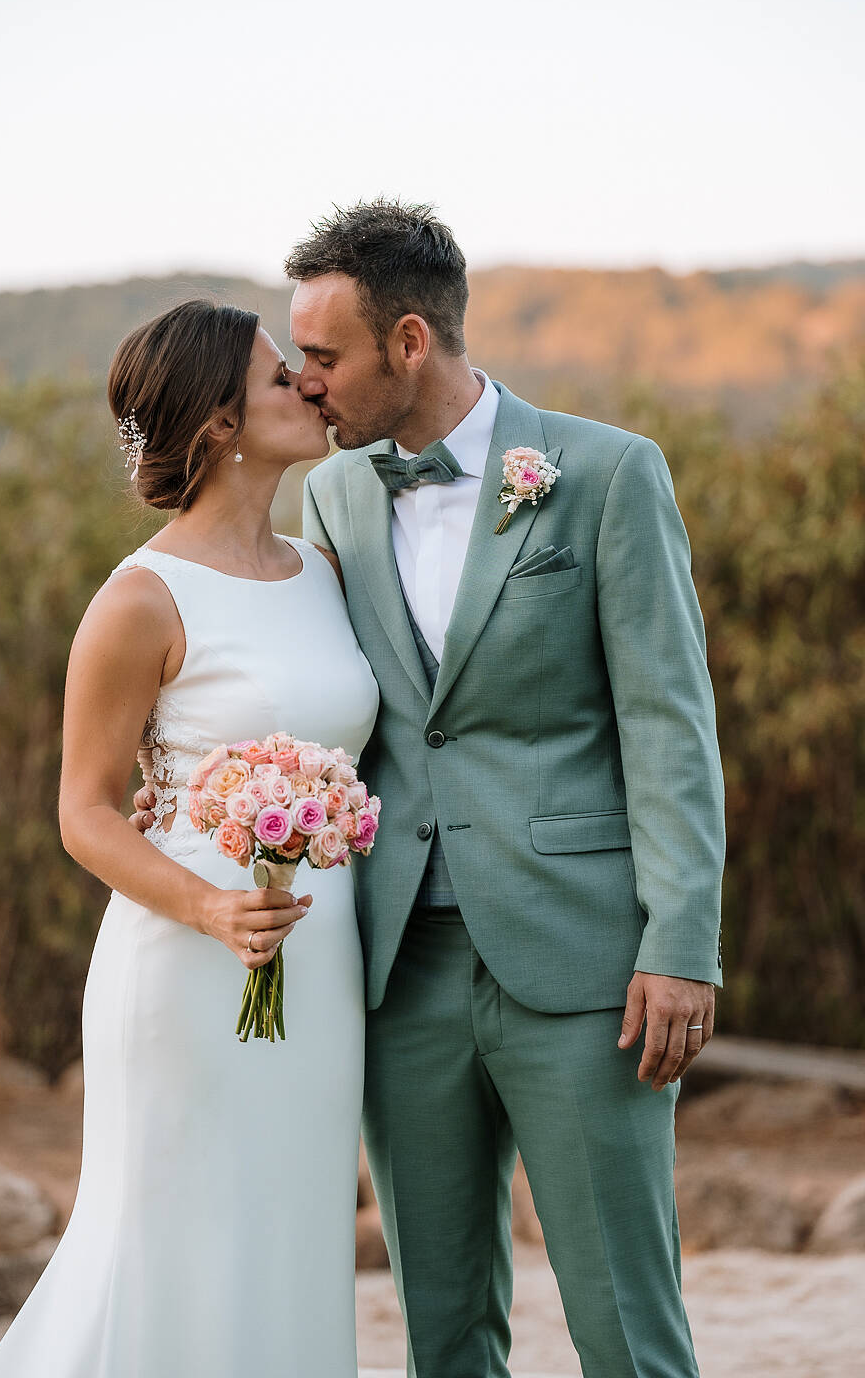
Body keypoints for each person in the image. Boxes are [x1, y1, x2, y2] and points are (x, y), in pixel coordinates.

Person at [287, 199, 724, 1378]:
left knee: (623, 1324)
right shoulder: (329, 498)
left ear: (411, 342)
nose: (303, 381)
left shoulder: (605, 472)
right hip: (398, 969)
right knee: (443, 1325)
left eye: (324, 357)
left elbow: (669, 725)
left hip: (584, 965)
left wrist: (682, 942)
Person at [0, 299, 379, 1378]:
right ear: (216, 424)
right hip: (187, 961)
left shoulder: (328, 571)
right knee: (172, 1238)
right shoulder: (139, 601)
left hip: (322, 963)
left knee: (289, 1232)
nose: (305, 382)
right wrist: (210, 908)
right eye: (275, 373)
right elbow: (85, 811)